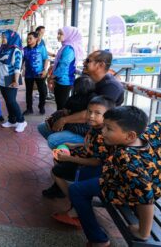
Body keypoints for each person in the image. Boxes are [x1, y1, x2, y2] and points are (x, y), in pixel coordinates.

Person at [70, 105, 161, 246]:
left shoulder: (127, 160)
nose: (103, 131)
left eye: (109, 129)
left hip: (122, 188)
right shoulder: (148, 134)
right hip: (132, 180)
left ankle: (98, 239)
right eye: (104, 126)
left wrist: (143, 232)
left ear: (130, 135)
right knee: (86, 174)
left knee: (76, 190)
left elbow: (147, 197)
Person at [38, 51, 125, 150]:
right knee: (43, 128)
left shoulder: (111, 87)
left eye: (88, 61)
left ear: (101, 65)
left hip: (97, 132)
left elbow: (92, 115)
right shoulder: (90, 79)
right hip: (83, 124)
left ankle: (74, 158)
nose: (84, 63)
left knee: (53, 139)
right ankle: (68, 157)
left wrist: (64, 120)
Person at [49, 96, 115, 227]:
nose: (91, 116)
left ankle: (77, 206)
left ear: (108, 116)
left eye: (97, 113)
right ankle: (76, 202)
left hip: (90, 166)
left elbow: (97, 162)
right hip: (84, 157)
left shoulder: (103, 135)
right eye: (89, 111)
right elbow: (90, 145)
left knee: (56, 172)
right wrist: (75, 146)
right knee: (58, 158)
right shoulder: (97, 127)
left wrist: (69, 158)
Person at [0, 30, 27, 133]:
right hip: (2, 79)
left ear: (11, 38)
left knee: (12, 101)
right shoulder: (2, 49)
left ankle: (21, 121)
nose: (3, 39)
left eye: (5, 37)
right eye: (2, 37)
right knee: (8, 101)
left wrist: (15, 80)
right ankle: (12, 120)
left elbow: (17, 66)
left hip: (11, 78)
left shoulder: (16, 50)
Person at [48, 26, 84, 110]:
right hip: (62, 79)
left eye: (61, 34)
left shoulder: (69, 49)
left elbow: (63, 66)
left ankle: (61, 122)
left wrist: (52, 76)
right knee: (60, 103)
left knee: (62, 105)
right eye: (58, 33)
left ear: (69, 35)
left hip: (64, 81)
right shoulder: (65, 47)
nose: (58, 36)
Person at [22, 31, 49, 115]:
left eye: (30, 38)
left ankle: (41, 106)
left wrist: (45, 70)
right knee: (28, 92)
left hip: (39, 73)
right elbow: (21, 61)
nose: (28, 40)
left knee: (43, 91)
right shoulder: (24, 49)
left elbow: (46, 59)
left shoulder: (41, 48)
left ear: (36, 39)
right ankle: (29, 108)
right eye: (28, 38)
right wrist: (21, 69)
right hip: (28, 74)